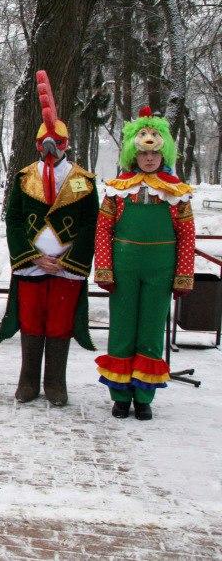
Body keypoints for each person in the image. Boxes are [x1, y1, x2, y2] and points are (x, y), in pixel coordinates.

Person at [0, 71, 99, 406]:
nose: (51, 149)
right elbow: (13, 219)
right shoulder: (25, 177)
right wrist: (32, 256)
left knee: (58, 324)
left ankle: (56, 383)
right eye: (44, 144)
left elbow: (90, 223)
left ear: (67, 144)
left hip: (66, 268)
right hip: (32, 265)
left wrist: (67, 260)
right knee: (31, 322)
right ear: (38, 145)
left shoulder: (83, 180)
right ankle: (28, 381)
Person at [94, 106, 195, 421]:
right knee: (122, 331)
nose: (149, 159)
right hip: (124, 269)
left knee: (151, 332)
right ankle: (120, 396)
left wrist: (183, 275)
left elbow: (187, 237)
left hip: (160, 271)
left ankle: (144, 396)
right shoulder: (118, 191)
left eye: (154, 153)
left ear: (163, 152)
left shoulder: (177, 193)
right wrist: (105, 269)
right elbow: (103, 230)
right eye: (142, 153)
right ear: (132, 155)